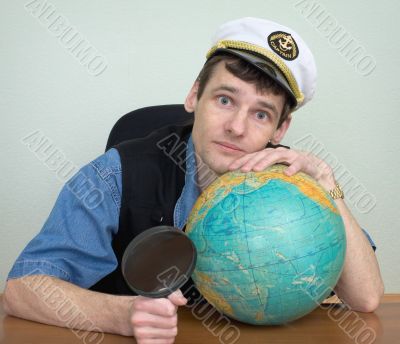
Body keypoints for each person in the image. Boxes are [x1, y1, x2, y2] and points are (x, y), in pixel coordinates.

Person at [3, 17, 384, 343]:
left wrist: (327, 184)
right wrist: (120, 316)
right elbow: (21, 290)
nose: (236, 127)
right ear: (194, 95)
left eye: (261, 114)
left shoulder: (293, 188)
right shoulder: (118, 172)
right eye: (224, 100)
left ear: (281, 128)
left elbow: (365, 299)